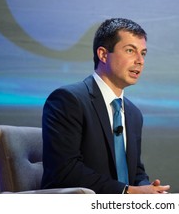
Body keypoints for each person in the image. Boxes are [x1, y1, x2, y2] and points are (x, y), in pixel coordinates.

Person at [41, 18, 170, 194]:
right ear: (103, 54)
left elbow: (135, 171)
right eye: (130, 51)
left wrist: (149, 189)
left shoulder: (133, 114)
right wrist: (127, 192)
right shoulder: (68, 100)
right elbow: (65, 171)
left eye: (143, 53)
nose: (140, 60)